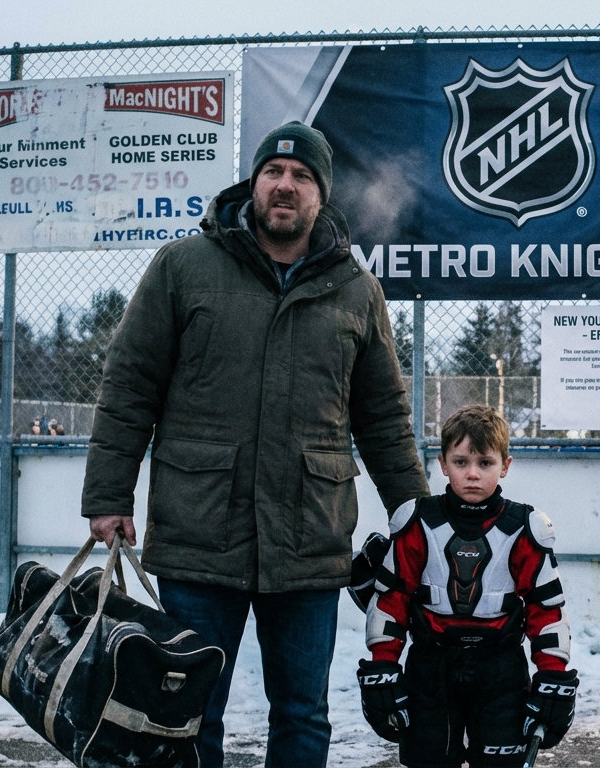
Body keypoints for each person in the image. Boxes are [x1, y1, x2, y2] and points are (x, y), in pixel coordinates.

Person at [80, 122, 430, 767]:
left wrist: (418, 519)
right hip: (199, 533)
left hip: (309, 537)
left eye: (302, 177)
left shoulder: (356, 290)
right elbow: (130, 385)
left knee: (302, 713)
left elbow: (383, 416)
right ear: (255, 181)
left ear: (321, 196)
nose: (286, 186)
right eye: (275, 172)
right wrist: (108, 494)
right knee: (188, 710)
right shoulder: (184, 266)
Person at [356, 405, 577, 767]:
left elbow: (545, 608)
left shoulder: (525, 527)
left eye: (485, 463)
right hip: (430, 665)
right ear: (443, 464)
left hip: (501, 669)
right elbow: (391, 599)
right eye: (460, 462)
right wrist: (383, 666)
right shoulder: (416, 522)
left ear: (505, 465)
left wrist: (552, 675)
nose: (472, 474)